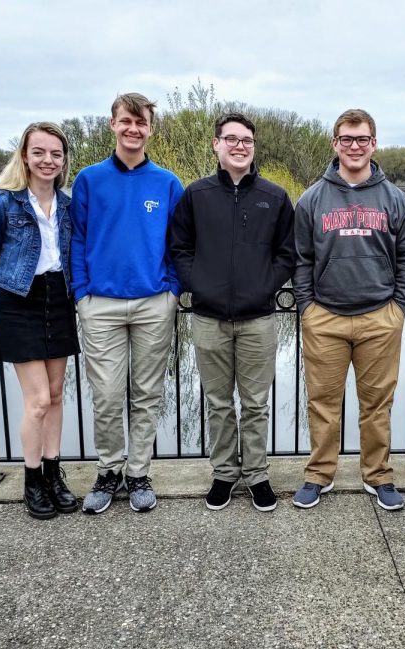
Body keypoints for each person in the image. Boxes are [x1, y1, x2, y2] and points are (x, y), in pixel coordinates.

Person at [292, 108, 405, 511]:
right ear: (335, 143)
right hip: (324, 317)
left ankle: (378, 475)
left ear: (373, 144)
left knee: (377, 405)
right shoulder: (313, 198)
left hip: (379, 317)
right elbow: (300, 259)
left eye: (362, 139)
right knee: (323, 403)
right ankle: (319, 474)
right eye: (346, 139)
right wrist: (307, 308)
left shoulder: (394, 199)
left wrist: (398, 308)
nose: (354, 146)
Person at [171, 112, 296, 512]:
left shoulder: (274, 196)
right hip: (208, 319)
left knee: (256, 404)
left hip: (258, 319)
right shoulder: (197, 194)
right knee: (219, 403)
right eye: (232, 139)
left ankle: (257, 474)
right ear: (217, 144)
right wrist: (199, 285)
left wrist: (263, 285)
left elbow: (287, 253)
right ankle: (225, 473)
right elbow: (180, 249)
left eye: (247, 140)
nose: (240, 146)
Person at [71, 93, 184, 514]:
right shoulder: (89, 179)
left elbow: (177, 244)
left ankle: (138, 473)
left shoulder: (168, 183)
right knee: (106, 395)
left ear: (150, 129)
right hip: (100, 304)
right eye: (126, 122)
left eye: (141, 123)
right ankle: (107, 471)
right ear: (112, 125)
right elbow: (78, 237)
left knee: (147, 395)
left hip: (154, 302)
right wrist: (82, 293)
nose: (133, 129)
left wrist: (173, 290)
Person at [0, 122, 79, 520]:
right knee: (35, 402)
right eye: (39, 152)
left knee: (55, 396)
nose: (48, 160)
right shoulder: (4, 203)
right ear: (25, 156)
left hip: (58, 298)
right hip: (18, 300)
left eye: (55, 153)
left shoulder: (67, 205)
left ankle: (54, 473)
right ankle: (32, 479)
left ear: (63, 159)